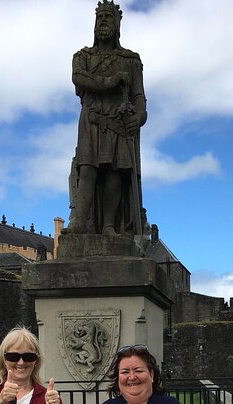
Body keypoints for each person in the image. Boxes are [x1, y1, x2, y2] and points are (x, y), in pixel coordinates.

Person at [66, 0, 147, 236]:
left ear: (117, 25)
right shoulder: (82, 57)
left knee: (114, 173)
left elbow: (138, 95)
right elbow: (79, 78)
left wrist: (140, 116)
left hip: (118, 122)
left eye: (108, 17)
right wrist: (110, 82)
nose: (103, 21)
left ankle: (110, 225)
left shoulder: (131, 61)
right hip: (91, 121)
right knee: (88, 170)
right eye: (100, 17)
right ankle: (80, 222)